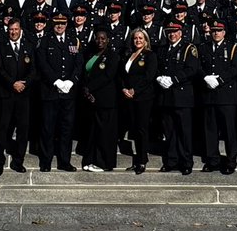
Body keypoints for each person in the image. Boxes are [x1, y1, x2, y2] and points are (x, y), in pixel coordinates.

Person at [37, 12, 82, 172]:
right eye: (57, 23)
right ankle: (46, 161)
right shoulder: (45, 40)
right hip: (50, 91)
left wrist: (71, 81)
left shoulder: (73, 40)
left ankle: (64, 161)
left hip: (68, 93)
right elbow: (42, 63)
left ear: (67, 25)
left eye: (62, 23)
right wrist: (56, 81)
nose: (60, 26)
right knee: (48, 128)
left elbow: (78, 63)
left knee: (66, 128)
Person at [0, 20, 37, 175]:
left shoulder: (28, 47)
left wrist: (24, 84)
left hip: (23, 95)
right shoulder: (1, 47)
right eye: (11, 29)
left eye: (16, 29)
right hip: (6, 94)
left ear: (21, 30)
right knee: (2, 129)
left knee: (23, 129)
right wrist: (13, 83)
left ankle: (18, 161)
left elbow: (34, 70)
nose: (13, 32)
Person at [199, 21, 237, 174]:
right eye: (214, 30)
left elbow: (236, 67)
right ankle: (212, 160)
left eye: (219, 30)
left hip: (226, 96)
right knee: (210, 130)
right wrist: (205, 78)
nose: (216, 33)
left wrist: (219, 80)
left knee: (228, 130)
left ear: (224, 32)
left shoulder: (232, 48)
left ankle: (231, 161)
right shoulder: (203, 47)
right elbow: (198, 66)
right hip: (209, 95)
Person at [156, 20, 200, 175]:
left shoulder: (189, 48)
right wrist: (159, 78)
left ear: (181, 32)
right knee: (169, 131)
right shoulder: (162, 49)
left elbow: (192, 69)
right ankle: (171, 161)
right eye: (169, 32)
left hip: (182, 97)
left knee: (184, 131)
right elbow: (157, 67)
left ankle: (186, 162)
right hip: (166, 97)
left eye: (174, 32)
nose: (172, 34)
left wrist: (174, 79)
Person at [81, 28, 121, 172]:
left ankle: (104, 163)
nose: (100, 41)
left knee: (105, 133)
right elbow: (85, 73)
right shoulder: (91, 53)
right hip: (91, 100)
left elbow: (108, 76)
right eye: (98, 38)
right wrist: (85, 89)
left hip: (106, 99)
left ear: (108, 40)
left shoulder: (112, 56)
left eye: (103, 38)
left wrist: (89, 88)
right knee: (93, 131)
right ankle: (91, 159)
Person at [120, 28, 159, 174]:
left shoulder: (150, 55)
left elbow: (148, 77)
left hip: (143, 97)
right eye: (135, 38)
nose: (138, 40)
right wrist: (124, 88)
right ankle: (137, 160)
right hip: (129, 97)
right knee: (134, 129)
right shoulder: (128, 55)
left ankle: (142, 160)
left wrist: (134, 90)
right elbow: (123, 75)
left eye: (141, 38)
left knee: (142, 129)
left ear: (146, 40)